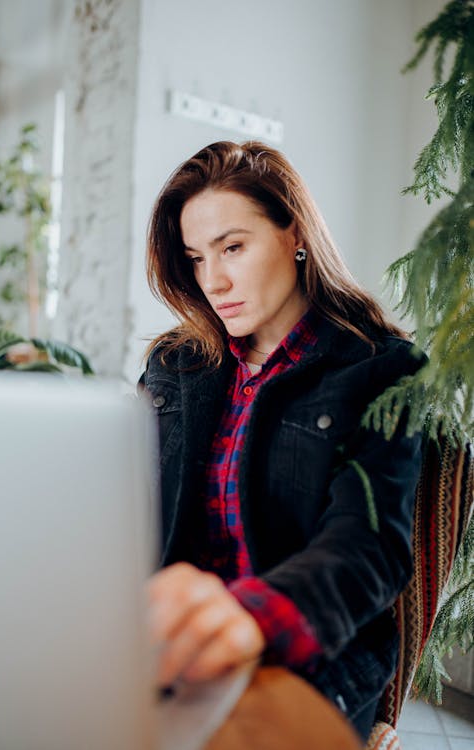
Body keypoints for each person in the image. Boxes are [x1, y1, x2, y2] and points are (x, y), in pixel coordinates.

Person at [139, 140, 424, 742]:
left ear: (294, 234)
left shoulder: (382, 370)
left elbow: (368, 548)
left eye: (232, 247)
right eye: (195, 258)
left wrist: (248, 620)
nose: (212, 281)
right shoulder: (175, 364)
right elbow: (124, 501)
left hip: (309, 655)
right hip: (171, 648)